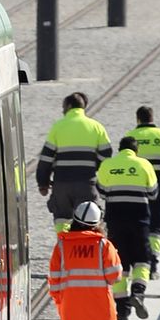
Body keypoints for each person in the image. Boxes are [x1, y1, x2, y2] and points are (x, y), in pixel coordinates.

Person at [95, 135, 160, 320]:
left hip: (116, 219)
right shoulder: (145, 165)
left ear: (119, 148)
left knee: (119, 262)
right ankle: (138, 293)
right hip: (140, 219)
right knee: (142, 260)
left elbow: (102, 191)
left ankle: (121, 309)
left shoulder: (108, 164)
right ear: (136, 150)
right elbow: (154, 193)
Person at [34, 92, 113, 235]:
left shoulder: (58, 127)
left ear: (69, 106)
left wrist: (43, 183)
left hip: (62, 184)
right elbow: (106, 154)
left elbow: (46, 158)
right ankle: (87, 249)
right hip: (86, 183)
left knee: (62, 219)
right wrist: (94, 168)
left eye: (63, 107)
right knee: (88, 218)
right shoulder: (96, 127)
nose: (62, 110)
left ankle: (64, 247)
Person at [125, 106, 160, 276]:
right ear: (152, 117)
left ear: (138, 119)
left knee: (138, 223)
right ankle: (153, 263)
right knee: (156, 225)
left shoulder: (129, 137)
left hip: (136, 187)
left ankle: (138, 261)